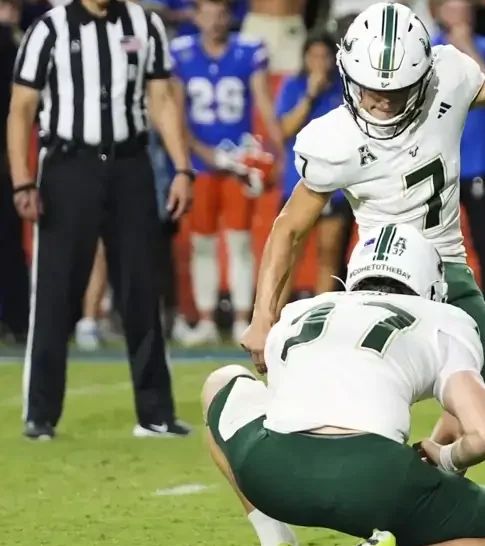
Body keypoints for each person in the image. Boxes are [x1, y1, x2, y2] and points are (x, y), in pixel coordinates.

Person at [240, 2, 485, 481]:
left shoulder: (445, 83)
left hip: (446, 265)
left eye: (397, 89)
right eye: (373, 88)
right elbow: (289, 227)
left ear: (424, 75)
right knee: (384, 391)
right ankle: (432, 471)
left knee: (478, 369)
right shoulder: (333, 139)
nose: (383, 102)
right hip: (380, 275)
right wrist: (262, 317)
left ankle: (443, 465)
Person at [204, 225, 485, 546]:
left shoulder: (301, 310)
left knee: (220, 382)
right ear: (430, 283)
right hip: (371, 479)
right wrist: (445, 458)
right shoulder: (443, 319)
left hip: (270, 474)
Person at [9, 0, 193, 440]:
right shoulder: (50, 28)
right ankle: (40, 415)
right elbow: (21, 108)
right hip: (68, 167)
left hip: (131, 165)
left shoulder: (144, 23)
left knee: (140, 288)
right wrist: (22, 181)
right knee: (55, 290)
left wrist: (183, 168)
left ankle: (155, 414)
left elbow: (162, 98)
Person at [170, 0, 283, 346]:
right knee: (202, 242)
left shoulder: (248, 51)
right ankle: (205, 319)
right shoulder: (181, 53)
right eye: (208, 12)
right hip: (201, 163)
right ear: (197, 14)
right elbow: (174, 111)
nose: (215, 20)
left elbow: (263, 102)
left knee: (239, 242)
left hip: (239, 162)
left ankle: (239, 319)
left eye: (221, 13)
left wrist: (277, 150)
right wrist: (200, 152)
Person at [433, 0, 485, 352]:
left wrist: (466, 47)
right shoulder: (427, 50)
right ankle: (433, 319)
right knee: (434, 246)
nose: (462, 17)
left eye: (466, 9)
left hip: (480, 163)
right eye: (454, 10)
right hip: (438, 165)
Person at [275, 33, 351, 295]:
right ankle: (274, 322)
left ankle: (322, 321)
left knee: (329, 255)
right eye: (313, 56)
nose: (319, 62)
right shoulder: (292, 86)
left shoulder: (345, 88)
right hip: (296, 182)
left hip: (336, 183)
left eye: (325, 56)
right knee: (289, 256)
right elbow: (283, 130)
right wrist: (309, 95)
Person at [0, 4, 28, 345]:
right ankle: (17, 317)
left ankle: (17, 317)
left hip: (7, 159)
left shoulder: (12, 46)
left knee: (8, 241)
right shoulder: (13, 45)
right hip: (7, 158)